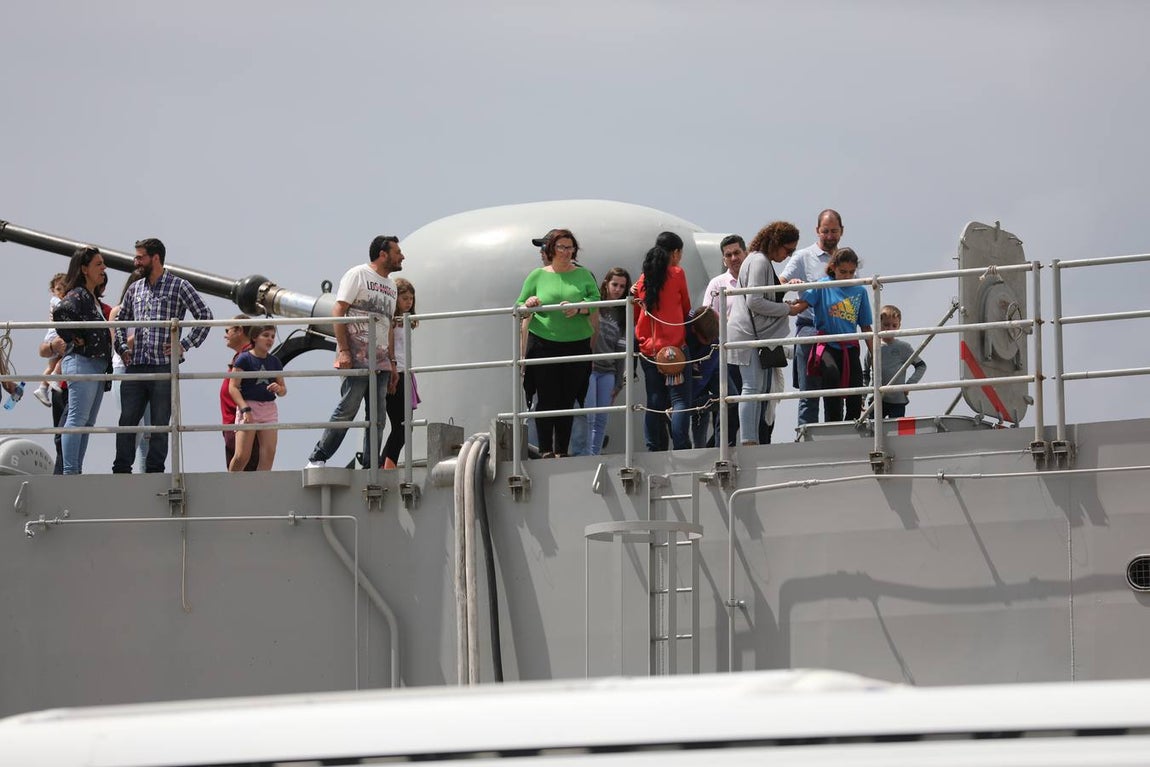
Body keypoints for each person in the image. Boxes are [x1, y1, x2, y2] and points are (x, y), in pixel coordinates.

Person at [112, 238, 213, 473]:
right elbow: (120, 320)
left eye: (140, 257)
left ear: (155, 258)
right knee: (127, 421)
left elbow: (205, 316)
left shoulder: (179, 286)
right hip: (136, 365)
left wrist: (184, 345)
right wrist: (122, 348)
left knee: (159, 424)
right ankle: (121, 470)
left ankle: (155, 470)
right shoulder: (135, 288)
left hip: (163, 366)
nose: (136, 261)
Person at [306, 235, 402, 469]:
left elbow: (387, 324)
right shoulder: (357, 274)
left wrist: (392, 362)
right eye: (398, 252)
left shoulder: (391, 286)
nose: (402, 257)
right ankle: (318, 457)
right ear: (383, 254)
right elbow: (339, 310)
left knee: (377, 418)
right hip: (357, 358)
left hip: (380, 362)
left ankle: (370, 466)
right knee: (348, 408)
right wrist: (345, 351)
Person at [516, 229, 599, 458]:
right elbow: (520, 304)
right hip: (544, 342)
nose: (566, 252)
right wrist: (529, 302)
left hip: (576, 343)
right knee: (546, 397)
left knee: (566, 399)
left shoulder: (583, 275)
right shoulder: (537, 275)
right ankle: (545, 449)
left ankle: (562, 449)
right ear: (551, 249)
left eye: (570, 247)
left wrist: (579, 307)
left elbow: (595, 300)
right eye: (561, 247)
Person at [727, 222, 803, 445]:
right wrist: (789, 309)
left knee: (755, 388)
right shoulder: (760, 261)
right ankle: (749, 440)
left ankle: (750, 439)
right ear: (776, 243)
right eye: (787, 250)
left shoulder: (755, 259)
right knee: (751, 387)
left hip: (747, 333)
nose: (788, 256)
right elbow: (755, 301)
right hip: (748, 334)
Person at [791, 247, 874, 422]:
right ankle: (833, 423)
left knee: (856, 386)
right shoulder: (823, 285)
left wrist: (876, 353)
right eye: (843, 272)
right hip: (827, 344)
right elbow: (799, 307)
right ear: (833, 267)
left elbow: (866, 327)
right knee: (831, 375)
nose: (847, 276)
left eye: (851, 272)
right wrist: (784, 301)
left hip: (849, 346)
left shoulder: (859, 291)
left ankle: (852, 423)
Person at [780, 209, 844, 426]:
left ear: (841, 232)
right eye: (825, 231)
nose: (829, 236)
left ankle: (835, 436)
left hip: (838, 331)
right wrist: (791, 284)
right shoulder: (803, 257)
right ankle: (806, 439)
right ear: (817, 230)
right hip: (810, 329)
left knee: (836, 393)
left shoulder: (845, 260)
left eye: (834, 231)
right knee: (810, 393)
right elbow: (780, 282)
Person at [52, 246, 112, 475]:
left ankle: (74, 469)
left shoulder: (91, 298)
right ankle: (70, 471)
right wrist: (75, 339)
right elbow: (61, 313)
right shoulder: (78, 294)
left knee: (85, 423)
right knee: (77, 420)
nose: (103, 268)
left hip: (94, 364)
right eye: (99, 264)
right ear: (84, 269)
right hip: (82, 361)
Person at [633, 232, 693, 451]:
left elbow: (636, 313)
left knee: (655, 400)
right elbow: (686, 307)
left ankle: (654, 447)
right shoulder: (677, 273)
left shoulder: (642, 280)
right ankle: (681, 444)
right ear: (675, 253)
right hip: (674, 350)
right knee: (679, 400)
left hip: (649, 351)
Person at [573, 267, 630, 456]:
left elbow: (621, 350)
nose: (618, 289)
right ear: (606, 284)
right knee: (587, 415)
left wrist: (618, 382)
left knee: (601, 419)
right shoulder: (594, 305)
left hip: (608, 371)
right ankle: (583, 454)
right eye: (615, 284)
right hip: (589, 367)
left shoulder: (623, 315)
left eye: (622, 286)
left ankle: (593, 455)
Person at [702, 234, 748, 446]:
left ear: (745, 253)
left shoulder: (756, 279)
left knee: (752, 405)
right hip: (726, 355)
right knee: (729, 405)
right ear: (723, 260)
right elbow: (707, 318)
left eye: (737, 253)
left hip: (752, 352)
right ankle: (720, 447)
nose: (733, 258)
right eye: (728, 255)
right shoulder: (717, 284)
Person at [228, 325, 286, 471]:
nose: (270, 339)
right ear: (255, 337)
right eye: (266, 335)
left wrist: (278, 389)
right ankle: (229, 486)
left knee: (268, 454)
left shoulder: (275, 362)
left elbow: (283, 389)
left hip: (269, 408)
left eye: (272, 336)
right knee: (242, 456)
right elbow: (233, 387)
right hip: (249, 406)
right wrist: (244, 408)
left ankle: (261, 490)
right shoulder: (244, 359)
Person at [381, 277, 420, 469]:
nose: (409, 302)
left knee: (403, 426)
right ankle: (387, 465)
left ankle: (386, 464)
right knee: (402, 425)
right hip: (395, 372)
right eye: (404, 298)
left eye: (411, 298)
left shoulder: (405, 321)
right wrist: (392, 369)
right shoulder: (391, 322)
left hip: (406, 372)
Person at [866, 304, 927, 419]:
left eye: (894, 325)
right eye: (886, 325)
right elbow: (865, 373)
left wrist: (908, 385)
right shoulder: (872, 347)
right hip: (876, 399)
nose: (890, 329)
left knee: (896, 433)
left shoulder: (903, 347)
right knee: (872, 432)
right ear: (879, 325)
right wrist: (863, 396)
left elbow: (921, 365)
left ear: (899, 326)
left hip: (897, 400)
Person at [221, 316, 260, 471]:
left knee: (243, 480)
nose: (225, 335)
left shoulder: (250, 357)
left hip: (242, 425)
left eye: (227, 330)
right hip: (235, 425)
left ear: (240, 330)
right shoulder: (245, 357)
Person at [685, 306, 720, 448]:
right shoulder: (685, 329)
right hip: (687, 363)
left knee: (729, 397)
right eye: (704, 339)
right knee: (700, 405)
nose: (707, 341)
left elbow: (706, 373)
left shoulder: (712, 340)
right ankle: (696, 447)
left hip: (707, 366)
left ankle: (707, 447)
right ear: (694, 330)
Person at [33, 273, 68, 407]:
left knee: (51, 364)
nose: (62, 292)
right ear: (53, 291)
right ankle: (55, 376)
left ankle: (42, 388)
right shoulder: (56, 301)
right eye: (58, 289)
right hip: (56, 334)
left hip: (53, 333)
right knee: (66, 354)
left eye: (64, 288)